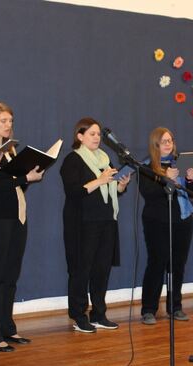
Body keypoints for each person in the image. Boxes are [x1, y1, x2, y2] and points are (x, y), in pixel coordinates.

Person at [0, 102, 44, 352]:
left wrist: (30, 175)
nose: (8, 125)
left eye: (10, 121)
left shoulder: (11, 150)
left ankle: (7, 328)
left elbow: (14, 185)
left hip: (16, 216)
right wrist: (25, 178)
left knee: (10, 275)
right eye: (3, 120)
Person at [60, 118, 130, 333]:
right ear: (80, 136)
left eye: (99, 134)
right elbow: (73, 192)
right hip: (82, 223)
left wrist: (120, 185)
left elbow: (110, 191)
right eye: (92, 134)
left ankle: (99, 313)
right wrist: (100, 180)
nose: (97, 138)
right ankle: (79, 315)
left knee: (101, 270)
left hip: (106, 221)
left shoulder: (104, 158)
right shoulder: (73, 160)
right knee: (81, 270)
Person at [139, 127, 193, 325]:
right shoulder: (147, 166)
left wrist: (190, 180)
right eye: (164, 141)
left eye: (170, 140)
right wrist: (167, 179)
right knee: (157, 263)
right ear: (156, 144)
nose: (168, 144)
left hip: (182, 219)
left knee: (178, 265)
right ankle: (148, 309)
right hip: (157, 221)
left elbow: (192, 193)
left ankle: (175, 307)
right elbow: (149, 194)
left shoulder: (178, 163)